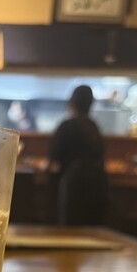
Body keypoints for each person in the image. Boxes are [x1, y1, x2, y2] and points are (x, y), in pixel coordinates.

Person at [46, 85, 109, 226]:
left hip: (72, 188)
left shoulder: (66, 126)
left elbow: (51, 162)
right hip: (98, 188)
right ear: (91, 104)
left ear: (71, 102)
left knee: (68, 230)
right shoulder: (94, 127)